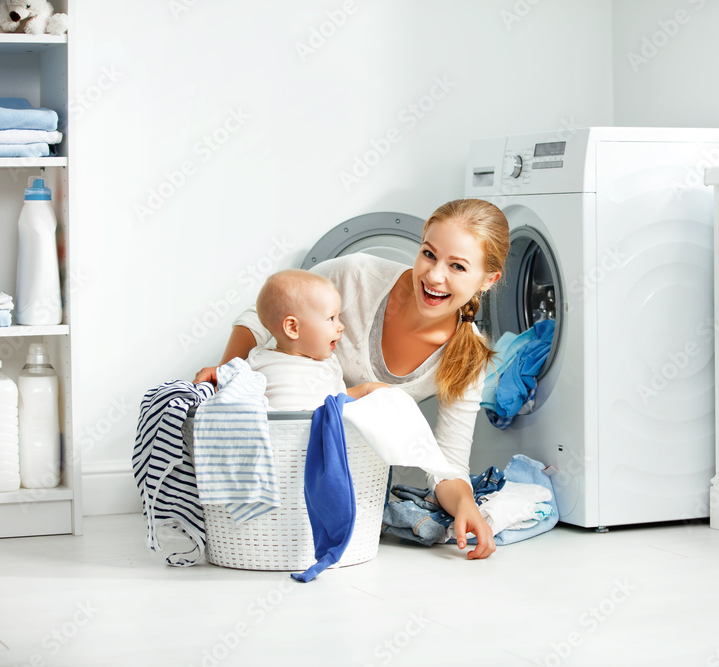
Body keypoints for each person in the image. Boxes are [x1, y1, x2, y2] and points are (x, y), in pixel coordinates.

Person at [196, 198, 509, 560]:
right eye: (428, 254)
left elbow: (448, 464)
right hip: (279, 443)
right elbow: (264, 314)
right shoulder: (356, 276)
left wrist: (465, 503)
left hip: (344, 472)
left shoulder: (468, 356)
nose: (435, 275)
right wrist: (227, 377)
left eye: (457, 266)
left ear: (489, 280)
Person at [249, 268, 386, 410]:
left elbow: (337, 397)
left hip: (321, 428)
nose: (341, 326)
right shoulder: (257, 362)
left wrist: (366, 390)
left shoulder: (329, 364)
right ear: (293, 328)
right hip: (279, 428)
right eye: (331, 318)